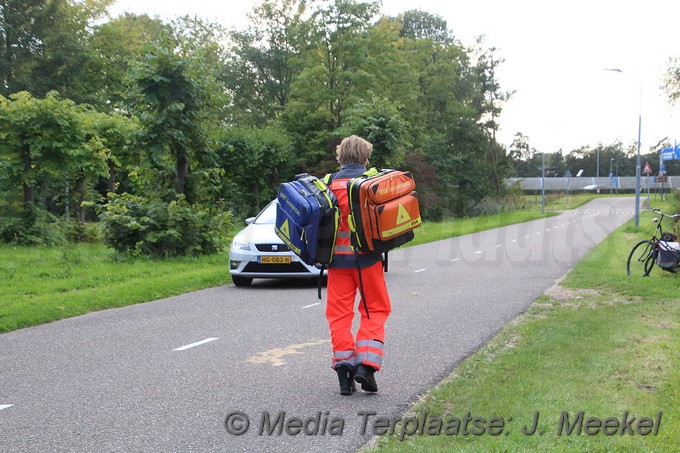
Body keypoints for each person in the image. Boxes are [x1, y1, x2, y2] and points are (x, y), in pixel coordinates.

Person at [325, 135, 392, 395]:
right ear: (365, 156)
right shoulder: (370, 182)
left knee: (339, 316)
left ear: (341, 156)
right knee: (375, 310)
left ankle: (344, 372)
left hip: (336, 263)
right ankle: (366, 366)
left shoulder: (328, 184)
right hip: (366, 261)